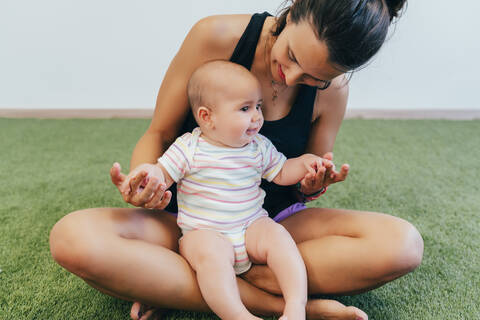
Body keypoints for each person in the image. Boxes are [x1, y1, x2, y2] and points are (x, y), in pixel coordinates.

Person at [49, 1, 423, 320]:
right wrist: (144, 183)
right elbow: (158, 135)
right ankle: (287, 305)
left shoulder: (334, 91)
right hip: (185, 221)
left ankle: (177, 284)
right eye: (292, 56)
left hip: (266, 221)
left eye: (314, 78)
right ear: (293, 11)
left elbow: (299, 172)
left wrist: (311, 183)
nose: (291, 76)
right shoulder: (215, 37)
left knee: (403, 245)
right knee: (72, 239)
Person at [134, 60, 339, 320]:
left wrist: (308, 162)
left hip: (251, 225)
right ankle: (240, 316)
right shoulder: (189, 147)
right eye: (245, 108)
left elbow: (283, 171)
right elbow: (162, 173)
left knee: (279, 238)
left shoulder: (258, 146)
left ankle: (295, 306)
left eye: (258, 106)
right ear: (207, 117)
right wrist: (148, 173)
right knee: (210, 259)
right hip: (204, 231)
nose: (256, 117)